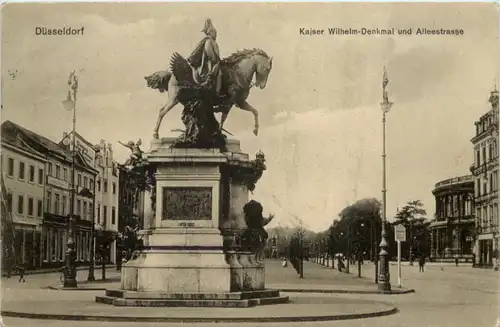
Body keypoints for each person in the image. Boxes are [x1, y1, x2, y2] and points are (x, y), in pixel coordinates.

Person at [187, 18, 223, 96]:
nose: (216, 34)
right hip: (209, 63)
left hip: (213, 61)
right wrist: (216, 60)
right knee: (219, 73)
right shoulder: (209, 41)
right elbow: (209, 53)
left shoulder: (212, 41)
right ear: (211, 33)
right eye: (215, 33)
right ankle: (216, 92)